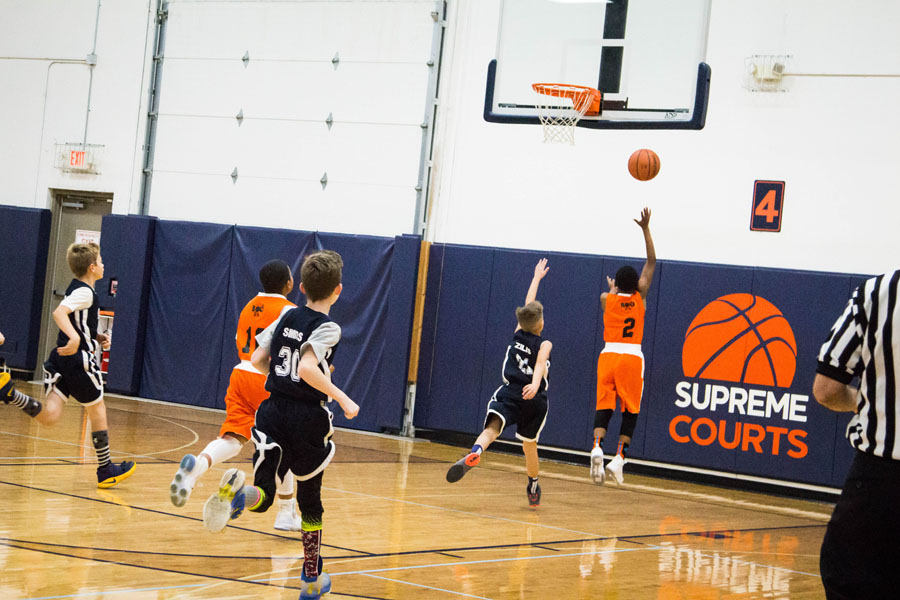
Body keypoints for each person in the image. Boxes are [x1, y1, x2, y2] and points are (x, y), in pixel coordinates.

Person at [202, 250, 359, 600]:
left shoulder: (287, 315)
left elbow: (259, 358)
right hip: (306, 417)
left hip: (271, 411)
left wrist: (282, 378)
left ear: (301, 286)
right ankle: (311, 578)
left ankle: (240, 496)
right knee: (310, 499)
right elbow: (306, 368)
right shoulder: (328, 327)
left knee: (265, 493)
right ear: (338, 291)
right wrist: (342, 397)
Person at [169, 259, 305, 530]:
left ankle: (197, 466)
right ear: (289, 283)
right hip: (268, 378)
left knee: (233, 436)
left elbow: (240, 341)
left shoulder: (248, 307)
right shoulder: (290, 311)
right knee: (284, 446)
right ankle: (286, 512)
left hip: (241, 373)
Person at [1, 242, 135, 488]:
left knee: (50, 416)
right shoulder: (86, 292)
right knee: (98, 410)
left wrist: (95, 336)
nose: (103, 265)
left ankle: (11, 394)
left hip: (60, 359)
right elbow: (59, 313)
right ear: (92, 267)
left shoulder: (77, 288)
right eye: (100, 261)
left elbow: (76, 321)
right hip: (77, 360)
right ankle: (106, 468)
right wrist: (75, 339)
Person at [814, 270, 900, 599]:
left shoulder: (876, 293)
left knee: (851, 581)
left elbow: (826, 389)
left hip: (880, 483)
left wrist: (863, 403)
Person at [446, 258, 552, 508]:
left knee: (492, 429)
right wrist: (535, 384)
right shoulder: (545, 343)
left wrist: (536, 277)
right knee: (529, 446)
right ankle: (533, 485)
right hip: (534, 399)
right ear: (541, 324)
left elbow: (528, 303)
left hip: (511, 392)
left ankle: (476, 452)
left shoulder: (517, 333)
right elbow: (540, 364)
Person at [590, 208, 655, 486]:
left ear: (616, 284)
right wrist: (645, 229)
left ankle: (597, 447)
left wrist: (613, 289)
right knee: (630, 411)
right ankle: (618, 459)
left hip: (607, 355)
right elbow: (651, 262)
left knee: (604, 406)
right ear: (636, 284)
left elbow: (610, 295)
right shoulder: (640, 299)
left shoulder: (607, 299)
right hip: (630, 356)